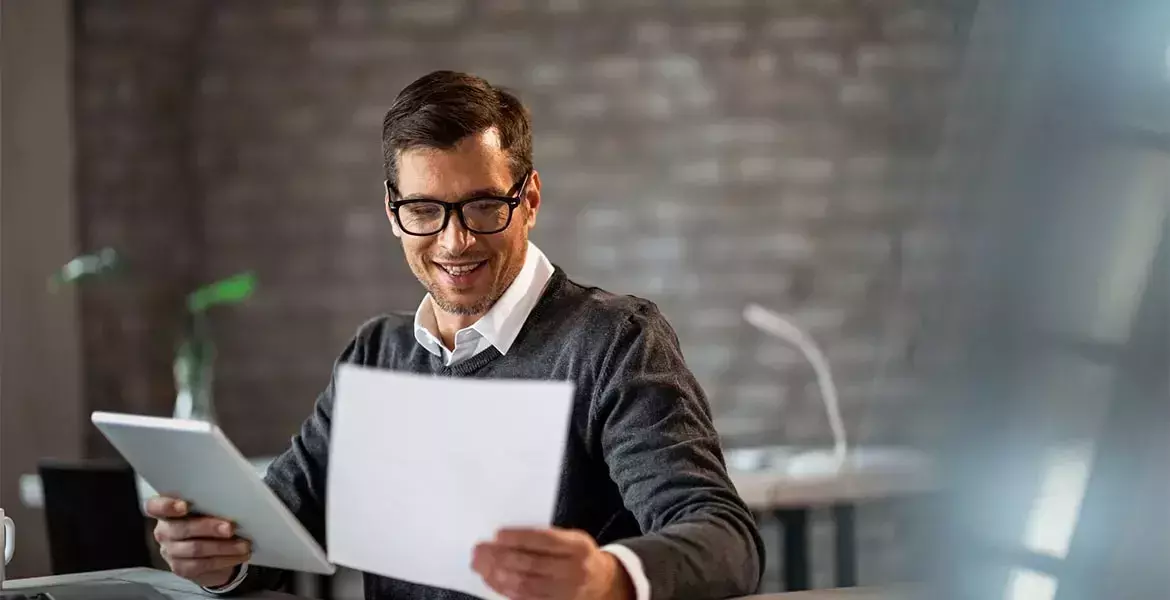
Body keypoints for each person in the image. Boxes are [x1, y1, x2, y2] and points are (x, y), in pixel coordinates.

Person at [146, 70, 763, 600]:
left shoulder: (614, 342)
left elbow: (725, 538)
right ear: (393, 212)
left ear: (530, 200)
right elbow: (275, 529)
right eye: (424, 210)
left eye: (483, 206)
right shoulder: (377, 355)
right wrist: (217, 557)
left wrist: (609, 576)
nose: (454, 241)